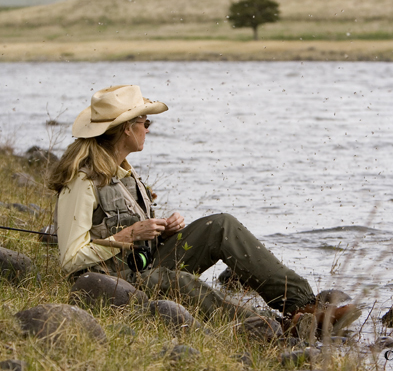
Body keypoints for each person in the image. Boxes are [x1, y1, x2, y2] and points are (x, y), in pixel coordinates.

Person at [48, 85, 357, 330]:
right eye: (145, 122)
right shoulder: (81, 181)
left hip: (142, 264)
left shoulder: (123, 173)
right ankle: (267, 328)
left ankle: (303, 306)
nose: (148, 129)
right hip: (113, 281)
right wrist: (128, 235)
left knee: (220, 225)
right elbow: (71, 260)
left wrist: (162, 232)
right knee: (179, 282)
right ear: (127, 129)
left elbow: (130, 234)